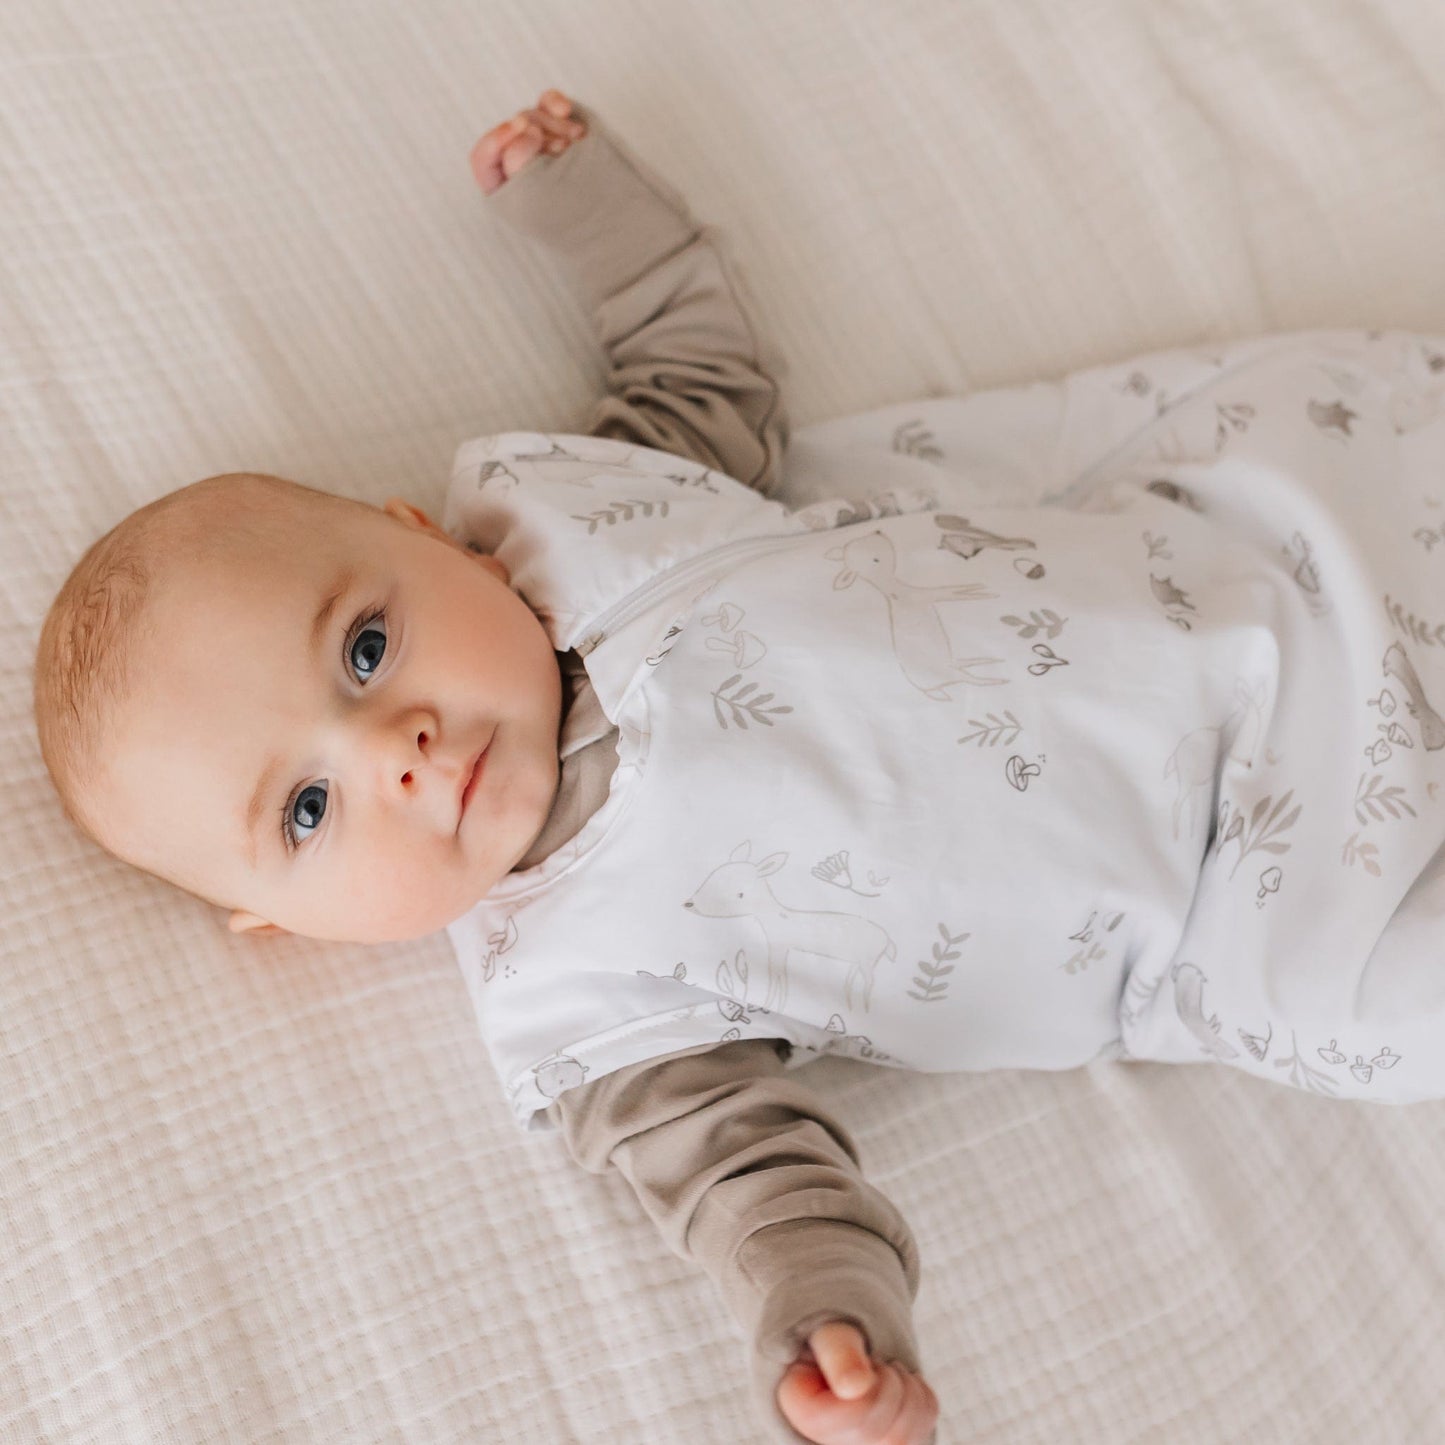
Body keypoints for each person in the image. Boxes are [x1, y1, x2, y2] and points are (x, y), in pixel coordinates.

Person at [30, 88, 1445, 1445]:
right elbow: (753, 1181)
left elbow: (697, 361)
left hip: (1221, 572)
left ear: (422, 532)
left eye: (363, 648)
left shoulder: (582, 506)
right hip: (1234, 901)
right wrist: (827, 1319)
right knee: (1384, 1011)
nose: (390, 749)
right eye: (307, 807)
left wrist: (587, 206)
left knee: (1355, 454)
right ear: (290, 927)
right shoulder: (588, 1000)